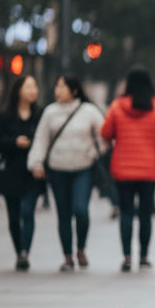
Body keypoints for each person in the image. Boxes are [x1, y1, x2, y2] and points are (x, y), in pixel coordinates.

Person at [100, 67, 155, 271]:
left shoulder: (117, 107)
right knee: (146, 214)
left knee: (126, 213)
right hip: (149, 171)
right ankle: (144, 256)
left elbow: (105, 132)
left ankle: (127, 257)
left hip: (123, 170)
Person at [27, 74, 105, 272]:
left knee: (80, 209)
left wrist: (95, 152)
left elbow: (104, 135)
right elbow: (41, 139)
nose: (57, 91)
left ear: (74, 90)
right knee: (63, 214)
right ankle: (68, 257)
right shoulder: (50, 112)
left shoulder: (89, 111)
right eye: (57, 87)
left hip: (83, 169)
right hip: (57, 169)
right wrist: (36, 162)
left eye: (62, 87)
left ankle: (81, 248)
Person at [0, 75, 45, 270]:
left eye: (35, 86)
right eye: (29, 87)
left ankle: (25, 252)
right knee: (14, 216)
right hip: (10, 173)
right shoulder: (4, 116)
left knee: (28, 212)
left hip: (33, 172)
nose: (33, 90)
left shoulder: (41, 115)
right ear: (18, 90)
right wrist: (14, 142)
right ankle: (19, 250)